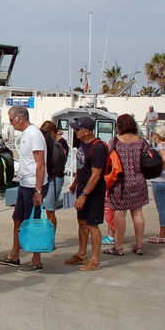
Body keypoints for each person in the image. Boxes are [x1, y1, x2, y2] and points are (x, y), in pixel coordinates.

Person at [0, 105, 48, 272]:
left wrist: (38, 191)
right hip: (24, 184)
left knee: (33, 221)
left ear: (20, 118)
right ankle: (14, 254)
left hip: (33, 186)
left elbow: (40, 164)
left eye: (11, 120)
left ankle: (36, 260)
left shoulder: (34, 134)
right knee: (17, 218)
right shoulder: (26, 134)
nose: (11, 124)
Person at [102, 114, 149, 256]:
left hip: (120, 183)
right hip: (138, 181)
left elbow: (107, 159)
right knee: (138, 213)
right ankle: (139, 246)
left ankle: (118, 246)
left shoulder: (115, 142)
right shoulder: (141, 142)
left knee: (119, 214)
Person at [65, 116, 106, 271]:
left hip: (93, 192)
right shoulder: (83, 144)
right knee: (82, 222)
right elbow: (82, 166)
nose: (75, 131)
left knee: (92, 224)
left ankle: (95, 260)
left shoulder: (98, 147)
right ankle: (82, 254)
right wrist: (75, 183)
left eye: (78, 129)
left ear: (86, 131)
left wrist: (84, 195)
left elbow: (96, 175)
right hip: (82, 187)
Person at [39, 120, 68, 229]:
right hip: (50, 177)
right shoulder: (52, 143)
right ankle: (47, 233)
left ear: (51, 132)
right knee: (47, 210)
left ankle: (51, 235)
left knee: (50, 210)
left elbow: (60, 161)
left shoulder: (61, 144)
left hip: (56, 178)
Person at [148, 125, 165, 244]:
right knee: (162, 207)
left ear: (156, 135)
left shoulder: (161, 146)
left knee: (161, 208)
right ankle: (162, 233)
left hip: (160, 180)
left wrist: (157, 168)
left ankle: (163, 235)